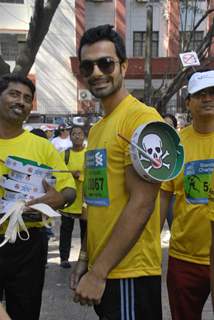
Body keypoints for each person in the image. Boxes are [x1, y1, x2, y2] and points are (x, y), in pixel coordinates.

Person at [70, 24, 163, 320]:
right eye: (88, 66)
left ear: (123, 66)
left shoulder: (141, 119)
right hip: (106, 268)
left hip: (129, 273)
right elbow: (98, 203)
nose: (96, 72)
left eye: (105, 63)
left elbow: (142, 202)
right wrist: (86, 257)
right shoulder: (97, 130)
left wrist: (98, 273)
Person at [0, 74, 76, 320]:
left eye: (27, 98)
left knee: (25, 311)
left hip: (29, 242)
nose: (21, 101)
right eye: (14, 94)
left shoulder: (42, 147)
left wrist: (58, 199)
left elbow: (69, 188)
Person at [160, 69, 214, 320]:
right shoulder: (176, 145)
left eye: (212, 93)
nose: (207, 99)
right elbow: (163, 197)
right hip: (184, 259)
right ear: (188, 102)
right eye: (200, 94)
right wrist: (151, 243)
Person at [59, 125, 87, 268]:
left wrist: (80, 175)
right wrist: (71, 174)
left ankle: (84, 258)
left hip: (85, 200)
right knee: (66, 230)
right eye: (74, 134)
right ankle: (64, 258)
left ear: (84, 136)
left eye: (79, 133)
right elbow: (58, 173)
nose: (77, 136)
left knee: (85, 231)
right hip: (69, 200)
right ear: (70, 137)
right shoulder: (65, 155)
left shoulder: (89, 154)